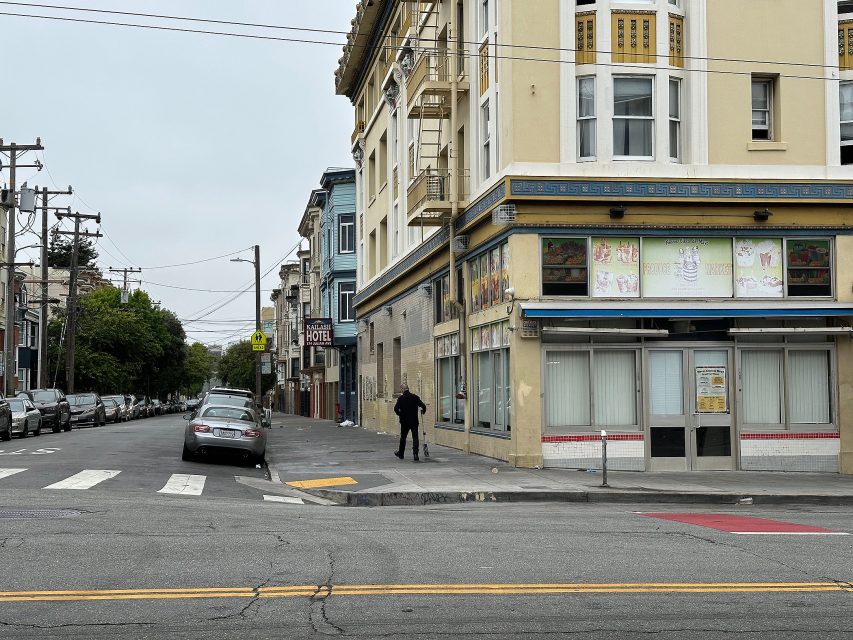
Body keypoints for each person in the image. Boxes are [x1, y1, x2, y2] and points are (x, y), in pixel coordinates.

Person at [393, 384, 427, 462]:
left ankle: (401, 453)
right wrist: (423, 411)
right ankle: (415, 454)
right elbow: (423, 406)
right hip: (414, 421)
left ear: (402, 389)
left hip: (404, 422)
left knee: (403, 438)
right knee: (415, 437)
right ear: (408, 389)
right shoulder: (415, 397)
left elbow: (395, 409)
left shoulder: (401, 398)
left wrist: (401, 414)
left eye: (401, 389)